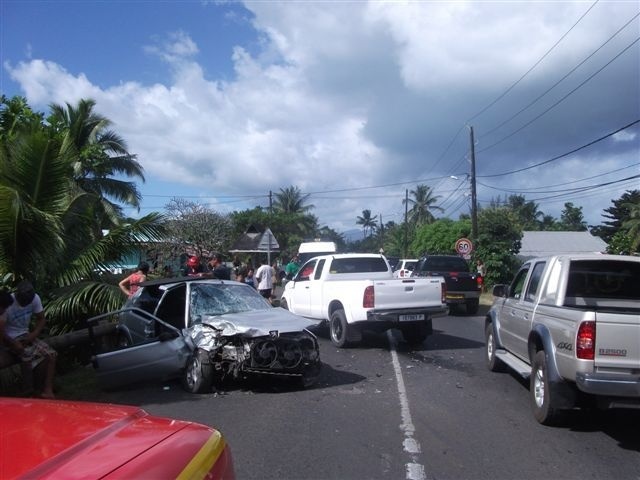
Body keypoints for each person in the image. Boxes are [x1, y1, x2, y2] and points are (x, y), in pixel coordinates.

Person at [0, 281, 57, 398]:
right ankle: (28, 392)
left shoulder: (35, 298)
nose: (26, 304)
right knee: (26, 357)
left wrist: (33, 334)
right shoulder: (7, 303)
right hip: (11, 338)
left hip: (25, 335)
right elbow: (1, 331)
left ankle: (47, 390)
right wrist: (12, 343)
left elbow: (41, 319)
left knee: (51, 355)